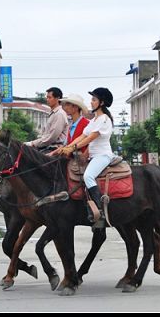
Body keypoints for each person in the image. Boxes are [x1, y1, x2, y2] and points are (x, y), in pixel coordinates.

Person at [60, 88, 116, 228]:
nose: (91, 102)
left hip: (102, 155)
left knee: (88, 176)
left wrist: (72, 148)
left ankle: (100, 211)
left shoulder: (104, 119)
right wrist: (66, 147)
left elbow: (91, 137)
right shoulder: (95, 120)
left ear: (101, 102)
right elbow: (83, 136)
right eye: (92, 99)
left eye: (94, 99)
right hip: (94, 156)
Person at [24, 87, 68, 154]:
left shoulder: (59, 114)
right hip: (47, 147)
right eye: (47, 97)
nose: (47, 100)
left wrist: (32, 143)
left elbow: (51, 137)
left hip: (55, 148)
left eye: (50, 97)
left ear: (57, 98)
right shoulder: (53, 113)